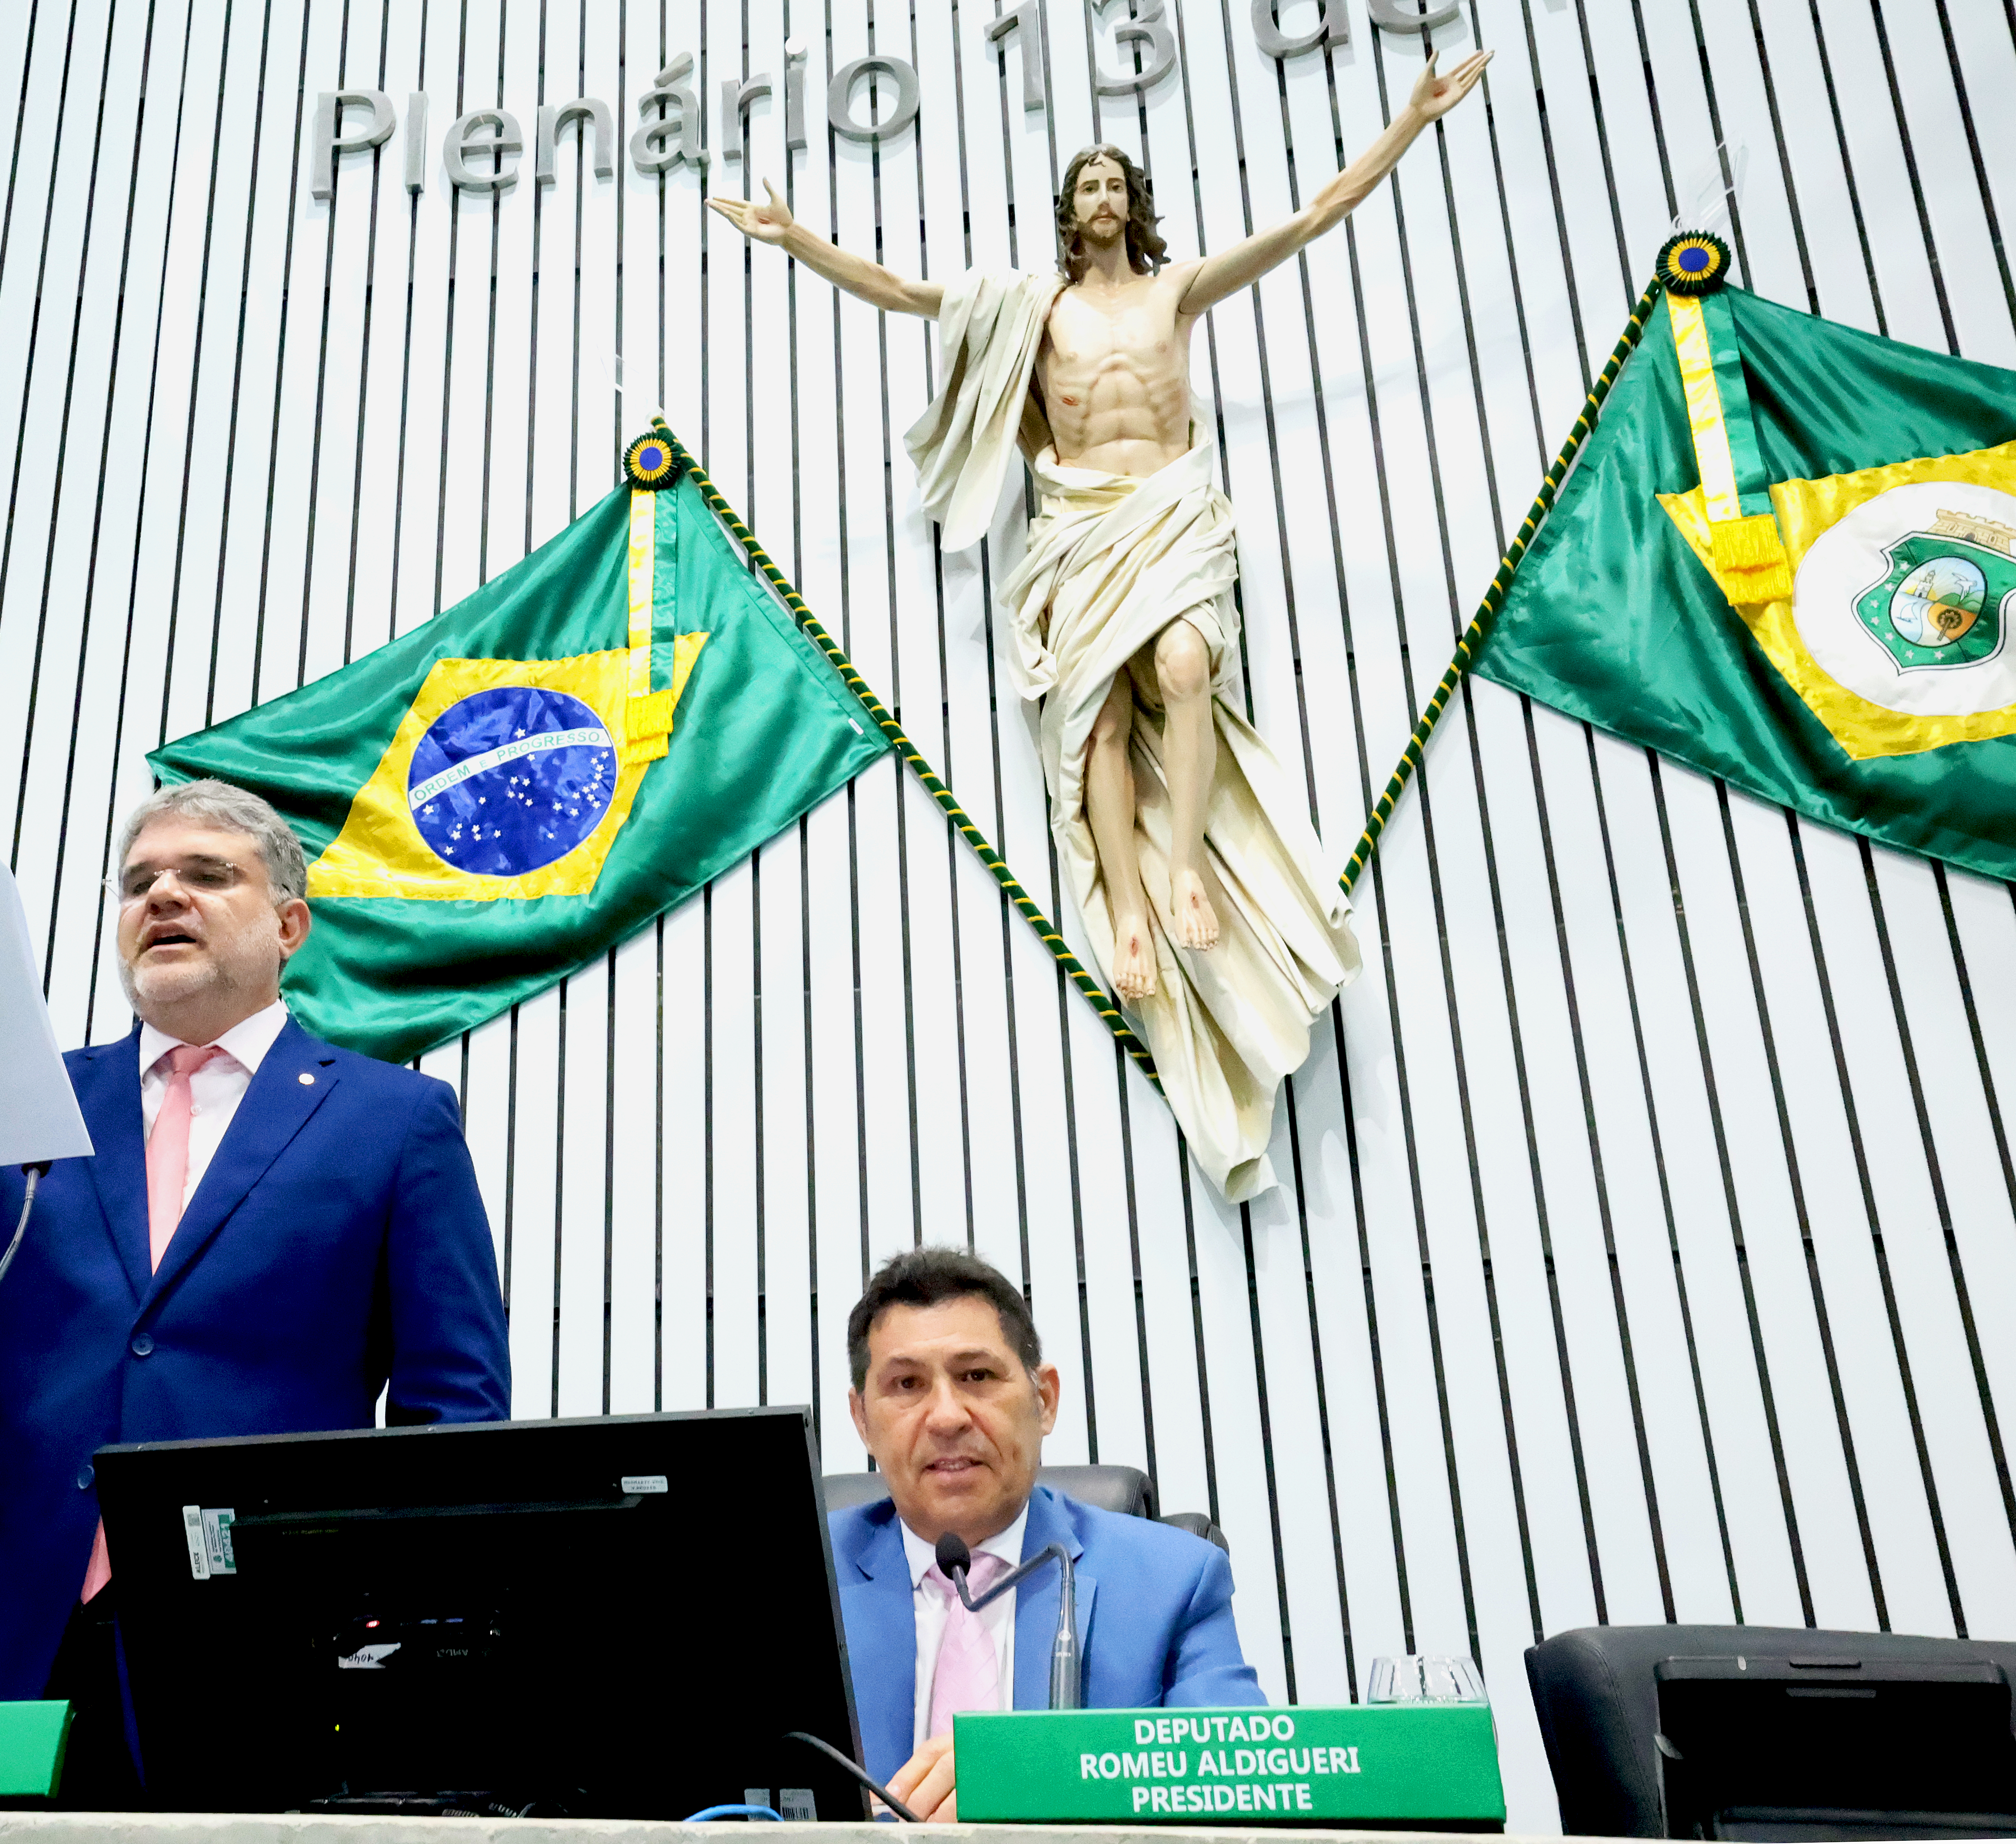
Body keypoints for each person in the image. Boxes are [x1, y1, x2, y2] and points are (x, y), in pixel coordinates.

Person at [709, 53, 1490, 1200]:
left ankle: (1181, 875)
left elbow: (1314, 217)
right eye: (1084, 187)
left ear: (1134, 202)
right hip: (1079, 519)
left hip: (1171, 509)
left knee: (1185, 664)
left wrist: (1408, 124)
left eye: (1113, 182)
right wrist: (796, 239)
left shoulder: (1175, 292)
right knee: (1095, 730)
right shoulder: (1038, 309)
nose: (1100, 198)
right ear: (1068, 215)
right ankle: (1127, 911)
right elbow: (905, 295)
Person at [0, 778, 511, 1791]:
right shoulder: (21, 1099)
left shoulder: (396, 1119)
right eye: (139, 881)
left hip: (269, 1646)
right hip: (3, 1640)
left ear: (290, 924)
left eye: (206, 875)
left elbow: (451, 1415)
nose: (163, 897)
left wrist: (395, 1638)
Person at [832, 1247, 1260, 1821]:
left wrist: (1026, 1769)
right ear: (862, 1420)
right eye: (907, 1384)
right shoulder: (796, 1577)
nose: (947, 1416)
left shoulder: (1171, 1580)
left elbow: (1239, 1781)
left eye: (976, 1376)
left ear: (1045, 1400)